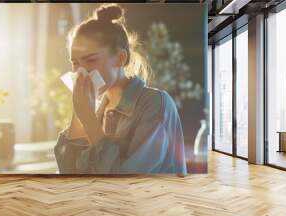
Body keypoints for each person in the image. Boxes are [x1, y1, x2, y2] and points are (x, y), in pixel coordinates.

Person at [53, 3, 187, 175]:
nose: (81, 72)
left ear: (120, 58)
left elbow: (126, 180)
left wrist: (88, 121)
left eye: (91, 60)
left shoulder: (155, 104)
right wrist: (79, 114)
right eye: (75, 63)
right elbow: (69, 173)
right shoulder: (98, 110)